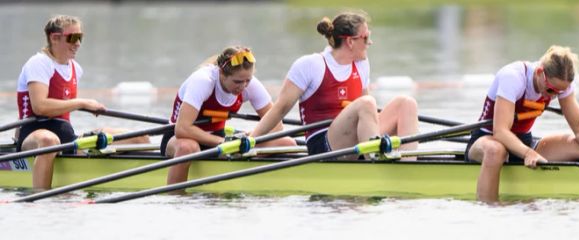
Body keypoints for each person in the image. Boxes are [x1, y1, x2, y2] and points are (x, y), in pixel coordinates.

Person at [465, 46, 579, 201]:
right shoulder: (513, 77)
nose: (554, 96)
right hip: (487, 139)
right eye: (551, 91)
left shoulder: (560, 83)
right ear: (540, 72)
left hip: (524, 142)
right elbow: (500, 132)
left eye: (560, 92)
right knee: (496, 150)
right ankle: (490, 207)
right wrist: (528, 153)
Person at [250, 11, 419, 159]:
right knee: (367, 103)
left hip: (354, 139)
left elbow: (370, 115)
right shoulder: (310, 65)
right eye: (366, 37)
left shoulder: (362, 64)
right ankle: (374, 160)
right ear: (350, 42)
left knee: (407, 103)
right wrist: (251, 139)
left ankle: (408, 166)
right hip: (323, 145)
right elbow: (279, 109)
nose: (370, 42)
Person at [161, 46, 296, 184]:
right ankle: (177, 198)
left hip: (217, 138)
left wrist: (249, 138)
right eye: (237, 82)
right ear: (222, 74)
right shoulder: (203, 81)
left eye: (247, 81)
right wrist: (223, 143)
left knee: (287, 143)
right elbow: (182, 129)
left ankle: (254, 186)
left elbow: (277, 126)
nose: (243, 86)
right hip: (179, 138)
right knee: (188, 147)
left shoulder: (250, 84)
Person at [15, 15, 108, 189]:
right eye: (73, 38)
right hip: (34, 135)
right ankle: (40, 199)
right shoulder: (39, 63)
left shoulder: (75, 68)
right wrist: (82, 103)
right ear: (54, 38)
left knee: (137, 137)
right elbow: (40, 107)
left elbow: (64, 108)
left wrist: (81, 103)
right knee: (49, 141)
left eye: (80, 38)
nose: (78, 43)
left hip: (65, 135)